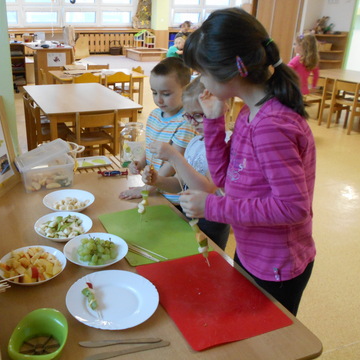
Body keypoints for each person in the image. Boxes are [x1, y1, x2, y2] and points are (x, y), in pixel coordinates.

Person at [180, 8, 316, 316]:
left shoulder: (271, 125)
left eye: (203, 72)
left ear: (232, 70)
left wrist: (212, 207)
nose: (200, 81)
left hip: (277, 264)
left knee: (269, 342)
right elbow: (227, 179)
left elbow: (293, 208)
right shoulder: (248, 112)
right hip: (253, 250)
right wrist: (214, 121)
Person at [141, 76, 230, 250]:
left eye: (198, 115)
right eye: (188, 116)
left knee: (209, 263)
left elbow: (207, 188)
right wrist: (157, 180)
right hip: (188, 213)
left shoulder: (225, 144)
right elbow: (181, 184)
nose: (192, 122)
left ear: (223, 108)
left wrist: (175, 157)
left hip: (212, 220)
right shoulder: (196, 142)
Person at [119, 57, 196, 202]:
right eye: (154, 93)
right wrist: (141, 162)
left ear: (186, 90)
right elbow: (150, 147)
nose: (159, 100)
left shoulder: (186, 121)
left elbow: (173, 163)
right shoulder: (154, 115)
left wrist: (145, 189)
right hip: (154, 188)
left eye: (166, 94)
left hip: (173, 197)